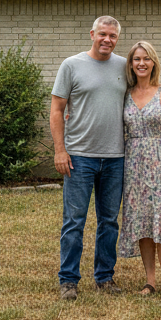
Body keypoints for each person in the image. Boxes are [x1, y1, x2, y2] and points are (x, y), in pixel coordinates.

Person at [51, 16, 128, 300]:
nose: (107, 40)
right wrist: (60, 150)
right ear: (92, 34)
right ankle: (68, 280)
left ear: (117, 39)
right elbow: (57, 109)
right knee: (74, 220)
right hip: (79, 157)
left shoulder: (124, 66)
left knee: (109, 221)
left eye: (113, 36)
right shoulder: (71, 65)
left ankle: (104, 278)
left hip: (115, 157)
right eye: (103, 34)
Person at [118, 40, 161, 300]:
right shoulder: (126, 94)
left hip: (160, 164)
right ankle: (149, 281)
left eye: (146, 58)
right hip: (133, 166)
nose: (141, 63)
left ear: (153, 62)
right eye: (136, 59)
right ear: (131, 64)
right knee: (143, 224)